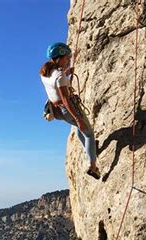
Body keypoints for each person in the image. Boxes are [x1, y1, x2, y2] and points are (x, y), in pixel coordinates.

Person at [40, 42, 101, 179]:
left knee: (79, 129)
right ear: (60, 58)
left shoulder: (46, 72)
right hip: (67, 108)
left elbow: (53, 84)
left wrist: (67, 73)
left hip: (57, 111)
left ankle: (89, 148)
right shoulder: (60, 76)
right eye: (67, 58)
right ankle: (92, 166)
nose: (68, 61)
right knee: (89, 134)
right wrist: (78, 118)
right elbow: (66, 99)